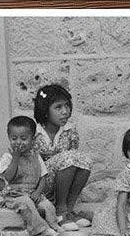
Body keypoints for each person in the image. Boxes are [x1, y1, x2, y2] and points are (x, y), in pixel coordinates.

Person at [0, 115, 60, 236]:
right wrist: (15, 158)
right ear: (9, 138)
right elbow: (7, 178)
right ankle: (41, 230)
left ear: (33, 139)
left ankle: (54, 225)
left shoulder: (36, 156)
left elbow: (43, 177)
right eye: (14, 138)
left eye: (23, 138)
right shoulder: (7, 157)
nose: (18, 142)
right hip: (15, 196)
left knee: (47, 205)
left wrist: (38, 192)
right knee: (27, 204)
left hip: (32, 193)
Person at [32, 84, 92, 221]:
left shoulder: (70, 131)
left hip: (61, 185)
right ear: (45, 111)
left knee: (85, 161)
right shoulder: (34, 133)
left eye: (67, 106)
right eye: (58, 107)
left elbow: (75, 164)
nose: (65, 111)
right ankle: (60, 210)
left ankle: (68, 209)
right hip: (39, 185)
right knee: (69, 158)